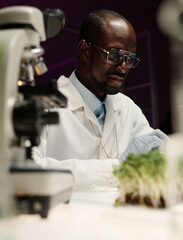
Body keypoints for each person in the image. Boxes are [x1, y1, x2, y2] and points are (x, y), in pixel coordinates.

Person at [32, 9, 168, 191]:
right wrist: (114, 169)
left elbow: (149, 166)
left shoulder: (128, 108)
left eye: (130, 58)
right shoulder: (41, 104)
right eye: (114, 55)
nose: (123, 68)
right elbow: (29, 172)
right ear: (84, 50)